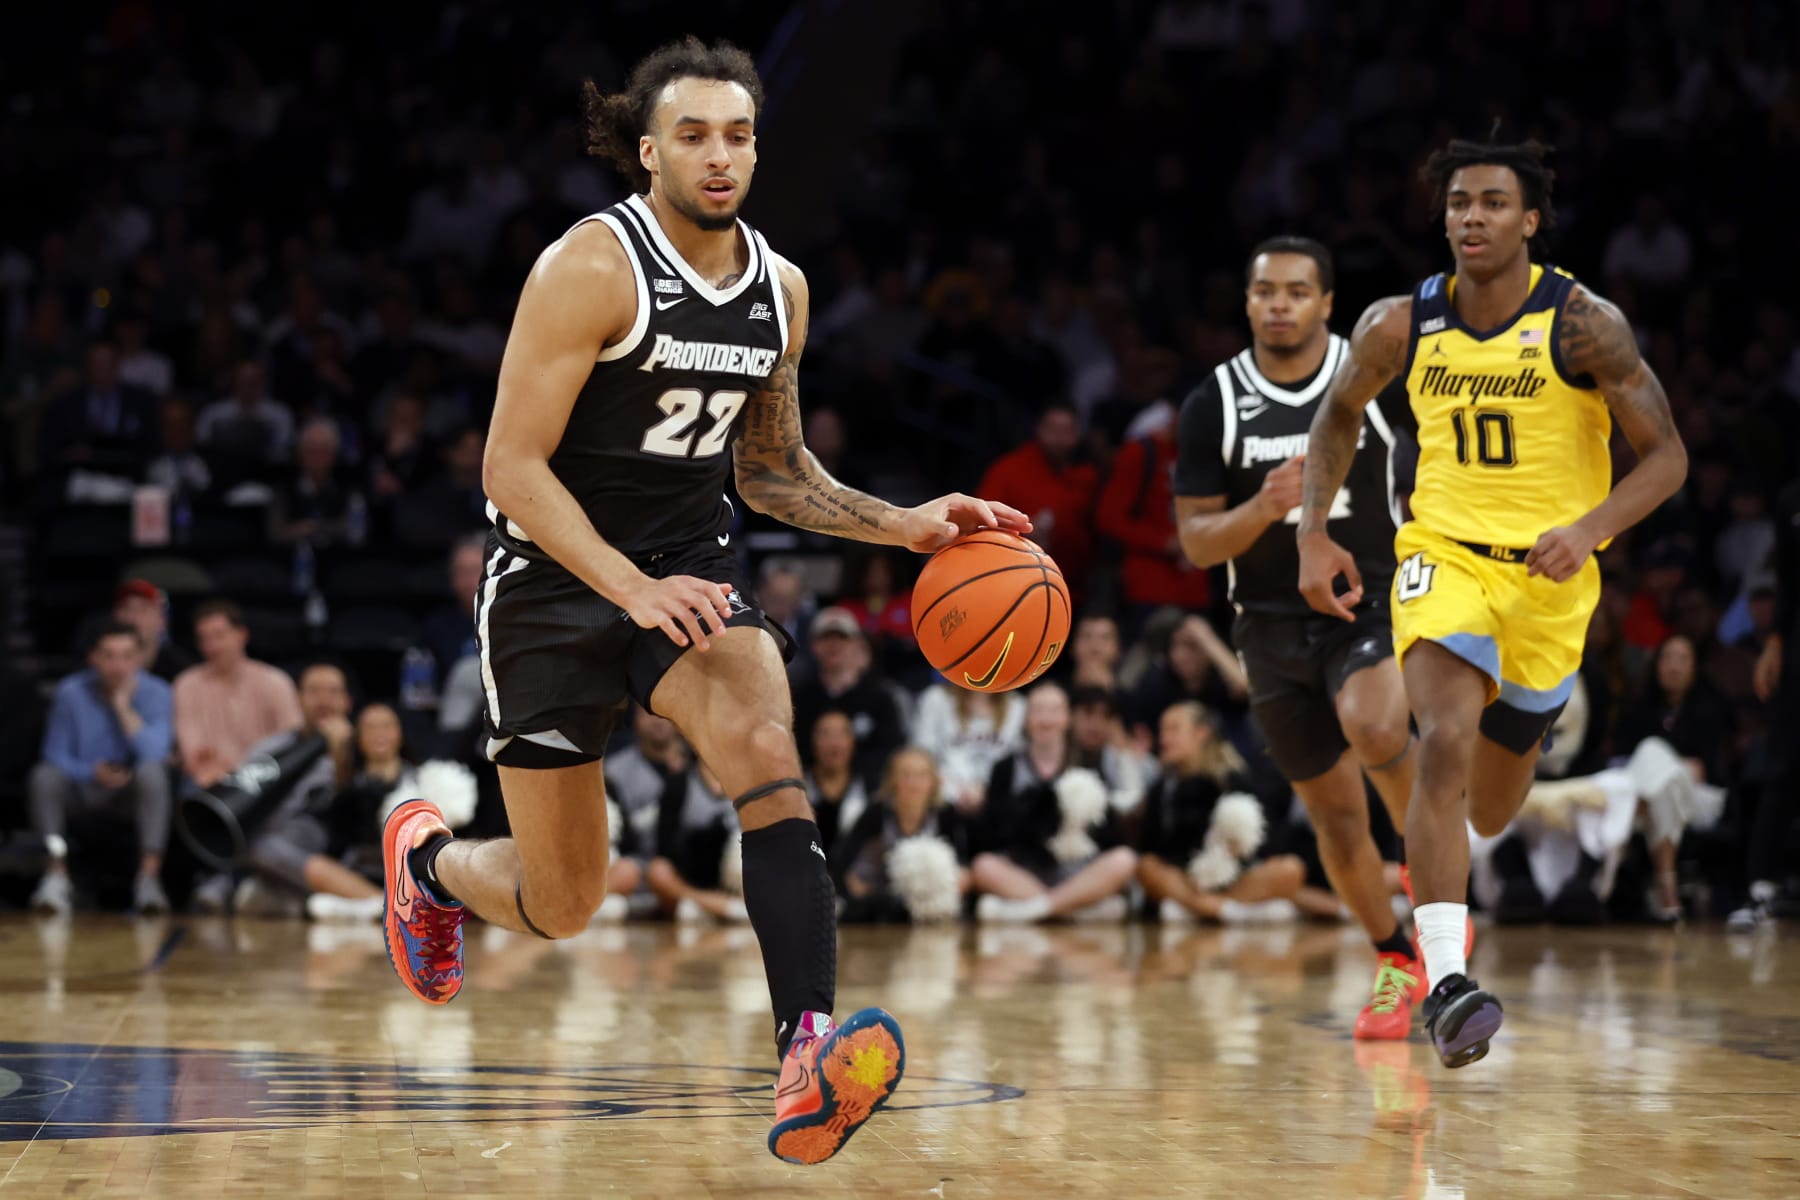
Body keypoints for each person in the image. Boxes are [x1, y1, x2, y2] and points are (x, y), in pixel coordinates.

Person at [377, 37, 1028, 1166]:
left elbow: (770, 472)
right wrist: (631, 588)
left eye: (738, 134)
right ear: (647, 151)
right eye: (693, 135)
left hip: (690, 570)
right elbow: (509, 468)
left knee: (767, 751)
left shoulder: (781, 290)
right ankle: (428, 865)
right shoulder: (588, 268)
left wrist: (907, 523)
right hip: (553, 585)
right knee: (562, 900)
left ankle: (806, 1048)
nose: (719, 156)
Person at [1297, 138, 1687, 1069]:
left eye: (1492, 203)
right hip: (1443, 557)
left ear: (1530, 221)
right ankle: (1445, 983)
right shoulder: (1402, 323)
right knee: (1441, 745)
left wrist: (1590, 528)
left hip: (1552, 585)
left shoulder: (1587, 325)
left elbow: (1668, 458)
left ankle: (1520, 746)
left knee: (1493, 810)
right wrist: (1314, 530)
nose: (1471, 217)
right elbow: (1340, 412)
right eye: (1458, 203)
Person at [1174, 236, 1426, 1040]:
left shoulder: (1370, 374)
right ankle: (1397, 959)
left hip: (1372, 596)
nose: (1279, 304)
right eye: (1265, 292)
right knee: (1336, 819)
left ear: (1326, 304)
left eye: (1296, 291)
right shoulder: (1213, 401)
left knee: (1377, 721)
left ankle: (1434, 885)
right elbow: (1196, 543)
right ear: (1248, 303)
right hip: (1269, 624)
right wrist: (1263, 507)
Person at [1137, 701, 1339, 923]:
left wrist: (1235, 850)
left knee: (1291, 869)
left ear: (1201, 733)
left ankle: (1202, 908)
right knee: (1146, 866)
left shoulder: (1232, 779)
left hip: (1234, 880)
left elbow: (1264, 843)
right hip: (1185, 879)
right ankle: (1222, 909)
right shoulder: (1162, 788)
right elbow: (1152, 849)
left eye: (1173, 730)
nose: (1164, 739)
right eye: (1162, 730)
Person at [28, 622, 174, 915]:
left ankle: (148, 878)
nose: (118, 665)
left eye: (127, 655)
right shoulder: (71, 692)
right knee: (44, 778)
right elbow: (54, 753)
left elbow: (155, 753)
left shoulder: (158, 692)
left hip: (131, 792)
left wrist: (123, 707)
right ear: (93, 657)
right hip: (84, 787)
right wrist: (89, 772)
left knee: (152, 774)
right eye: (109, 655)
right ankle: (56, 873)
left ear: (140, 658)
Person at [969, 683, 1139, 922]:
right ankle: (1074, 911)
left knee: (1125, 860)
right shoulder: (1006, 768)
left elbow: (1109, 836)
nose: (1046, 719)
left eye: (1055, 710)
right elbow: (991, 834)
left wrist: (1078, 821)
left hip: (1077, 871)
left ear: (1067, 718)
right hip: (1024, 871)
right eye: (1038, 710)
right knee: (983, 865)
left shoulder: (1088, 764)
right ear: (1026, 718)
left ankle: (1036, 910)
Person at [172, 600, 304, 791]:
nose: (212, 647)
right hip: (207, 780)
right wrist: (213, 769)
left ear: (242, 635)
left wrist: (244, 771)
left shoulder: (276, 682)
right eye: (204, 639)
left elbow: (289, 740)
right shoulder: (186, 685)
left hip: (265, 779)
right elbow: (192, 750)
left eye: (219, 636)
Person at [114, 578, 195, 682]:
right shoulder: (98, 671)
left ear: (162, 619)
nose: (133, 618)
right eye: (126, 609)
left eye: (142, 610)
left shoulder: (183, 673)